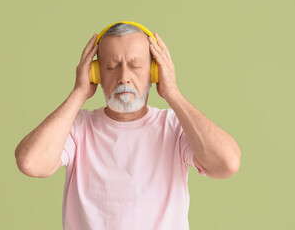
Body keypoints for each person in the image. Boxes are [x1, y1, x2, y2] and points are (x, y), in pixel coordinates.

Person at [15, 23, 241, 230]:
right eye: (112, 66)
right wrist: (79, 93)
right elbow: (30, 162)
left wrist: (172, 93)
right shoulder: (78, 129)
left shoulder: (174, 127)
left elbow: (227, 163)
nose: (124, 77)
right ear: (96, 75)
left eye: (135, 66)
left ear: (154, 72)